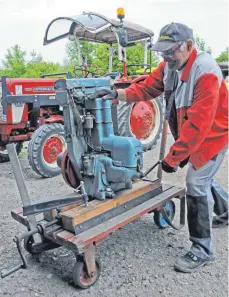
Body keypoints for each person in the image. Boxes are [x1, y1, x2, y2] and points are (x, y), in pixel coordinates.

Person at [89, 22, 229, 273]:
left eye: (171, 51)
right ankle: (226, 211)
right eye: (162, 52)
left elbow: (198, 127)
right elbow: (146, 88)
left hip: (214, 134)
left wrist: (172, 159)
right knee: (202, 176)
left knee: (196, 183)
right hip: (194, 132)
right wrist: (115, 94)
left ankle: (202, 249)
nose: (166, 57)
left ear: (188, 46)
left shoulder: (206, 72)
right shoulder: (169, 67)